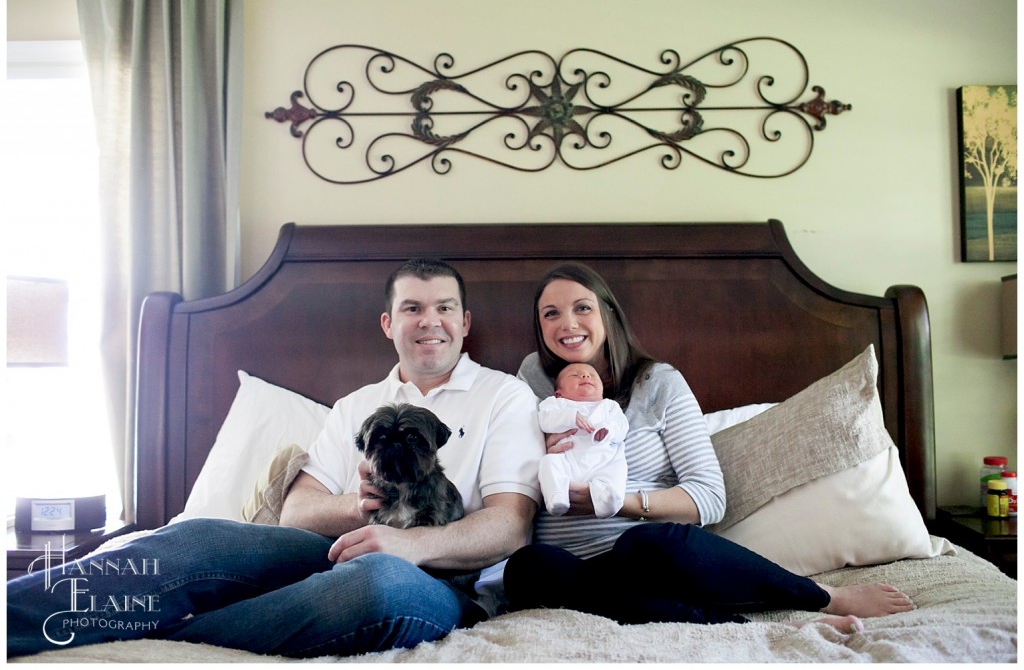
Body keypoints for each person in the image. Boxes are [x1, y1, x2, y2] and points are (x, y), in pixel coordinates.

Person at [7, 258, 545, 659]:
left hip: (446, 585)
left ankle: (164, 637)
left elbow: (509, 527)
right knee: (196, 537)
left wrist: (410, 544)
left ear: (465, 321)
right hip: (330, 555)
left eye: (444, 308)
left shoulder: (505, 396)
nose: (430, 322)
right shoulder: (356, 406)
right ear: (388, 324)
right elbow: (296, 515)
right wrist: (358, 506)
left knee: (378, 582)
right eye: (412, 308)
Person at [503, 261, 914, 633]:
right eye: (550, 314)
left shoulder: (658, 383)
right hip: (568, 568)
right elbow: (509, 478)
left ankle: (821, 597)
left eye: (582, 307)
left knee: (648, 543)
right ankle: (742, 627)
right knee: (525, 568)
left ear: (608, 314)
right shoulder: (531, 381)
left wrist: (615, 502)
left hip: (646, 558)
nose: (567, 324)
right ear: (539, 327)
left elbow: (709, 498)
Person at [538, 362, 628, 517]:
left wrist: (608, 429)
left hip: (603, 462)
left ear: (602, 390)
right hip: (567, 462)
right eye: (574, 375)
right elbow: (545, 421)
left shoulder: (609, 407)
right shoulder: (557, 404)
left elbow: (622, 427)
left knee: (617, 470)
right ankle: (557, 497)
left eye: (592, 375)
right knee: (549, 463)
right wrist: (571, 416)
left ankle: (610, 502)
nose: (586, 376)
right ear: (559, 393)